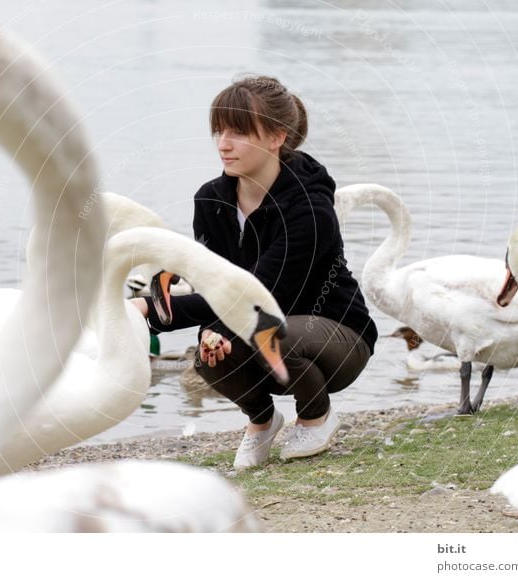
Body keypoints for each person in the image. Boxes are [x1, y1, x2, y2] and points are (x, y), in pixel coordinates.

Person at [132, 75, 377, 470]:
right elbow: (216, 283)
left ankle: (316, 415)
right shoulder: (210, 200)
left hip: (335, 336)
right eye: (219, 131)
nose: (224, 144)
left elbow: (271, 290)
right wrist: (188, 323)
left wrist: (162, 312)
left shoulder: (309, 208)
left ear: (277, 137)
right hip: (257, 320)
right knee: (208, 355)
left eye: (239, 132)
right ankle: (261, 422)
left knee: (270, 333)